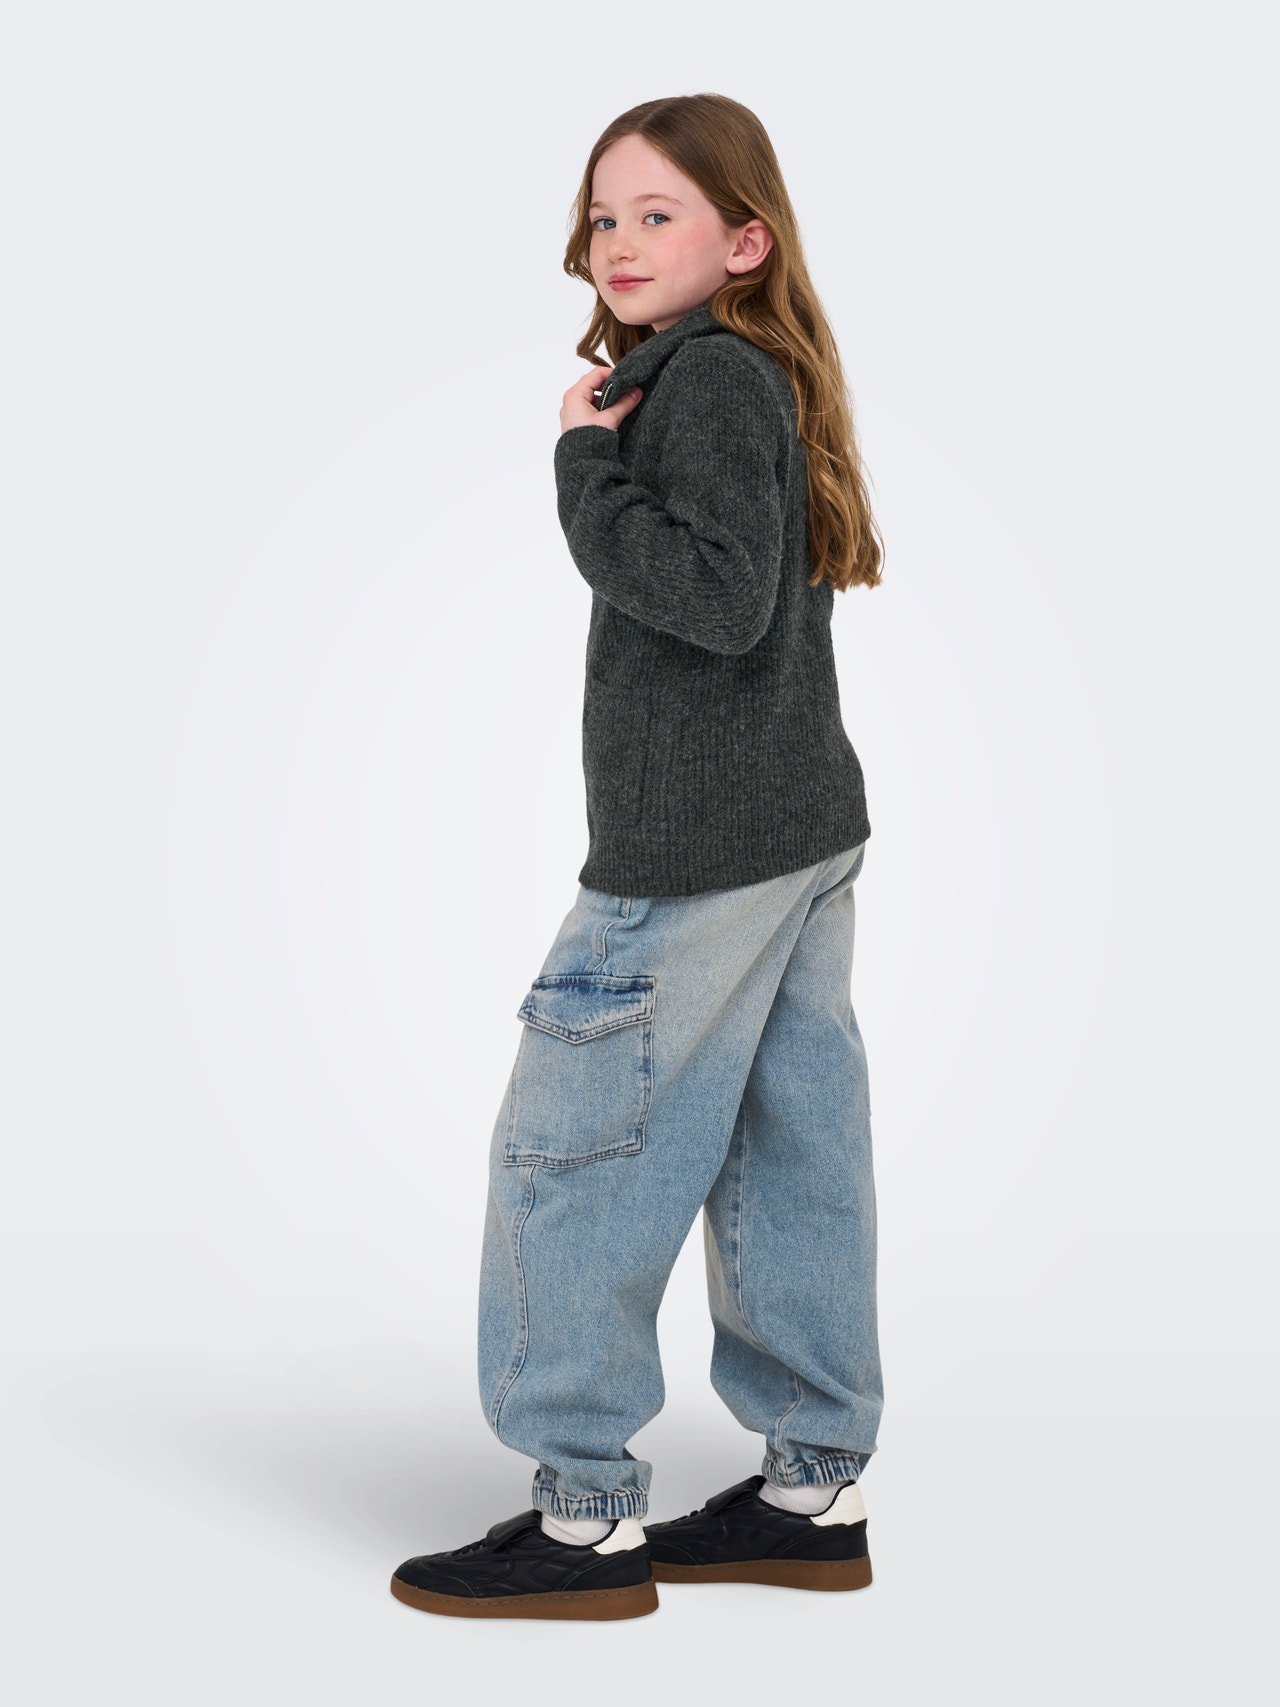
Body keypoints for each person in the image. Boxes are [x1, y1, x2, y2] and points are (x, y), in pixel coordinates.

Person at [391, 92, 884, 1622]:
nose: (617, 239)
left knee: (575, 1152)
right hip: (795, 829)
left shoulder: (708, 379)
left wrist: (582, 467)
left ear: (745, 240)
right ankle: (812, 1492)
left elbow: (717, 601)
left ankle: (586, 1521)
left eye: (658, 213)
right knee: (787, 1153)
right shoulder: (743, 371)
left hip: (697, 852)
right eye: (605, 214)